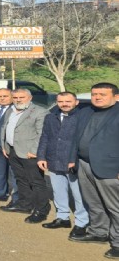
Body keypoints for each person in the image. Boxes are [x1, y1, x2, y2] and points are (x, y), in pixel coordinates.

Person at [68, 83, 119, 260]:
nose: (97, 97)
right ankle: (99, 232)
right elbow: (75, 137)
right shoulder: (86, 111)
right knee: (94, 202)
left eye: (102, 94)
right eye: (94, 94)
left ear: (116, 97)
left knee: (115, 207)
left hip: (110, 167)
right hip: (84, 164)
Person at [36, 92, 89, 236]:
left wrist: (76, 159)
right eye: (61, 101)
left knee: (78, 194)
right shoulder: (50, 116)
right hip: (53, 159)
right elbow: (45, 137)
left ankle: (81, 222)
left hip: (72, 161)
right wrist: (41, 156)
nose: (64, 104)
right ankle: (62, 217)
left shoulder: (82, 118)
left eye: (68, 101)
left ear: (76, 102)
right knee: (58, 192)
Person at [0, 89, 49, 224]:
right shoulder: (11, 110)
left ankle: (41, 210)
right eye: (15, 97)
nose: (18, 100)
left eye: (22, 97)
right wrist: (4, 146)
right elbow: (5, 127)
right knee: (21, 179)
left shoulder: (40, 111)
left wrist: (34, 150)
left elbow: (42, 133)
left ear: (30, 97)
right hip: (13, 150)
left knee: (36, 182)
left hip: (29, 153)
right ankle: (25, 204)